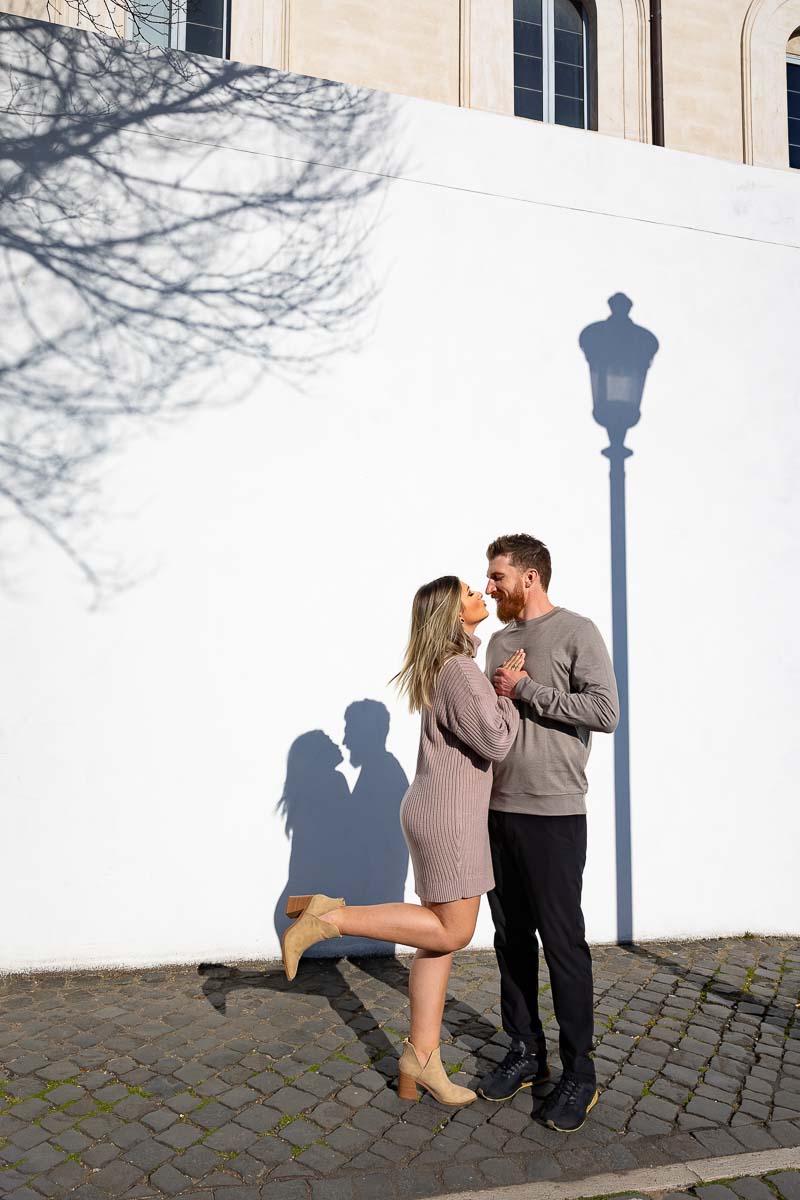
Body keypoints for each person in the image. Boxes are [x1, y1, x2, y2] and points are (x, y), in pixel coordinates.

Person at [280, 575, 520, 1106]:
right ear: (454, 614)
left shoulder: (450, 667)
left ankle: (422, 1059)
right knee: (453, 933)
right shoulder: (459, 669)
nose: (481, 594)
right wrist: (507, 696)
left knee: (434, 942)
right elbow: (497, 742)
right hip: (451, 818)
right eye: (469, 593)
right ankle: (328, 918)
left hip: (441, 812)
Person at [477, 533, 619, 1134]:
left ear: (529, 577)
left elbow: (605, 712)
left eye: (498, 576)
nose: (490, 586)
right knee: (510, 941)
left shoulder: (576, 631)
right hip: (498, 810)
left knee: (563, 943)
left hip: (556, 813)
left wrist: (527, 689)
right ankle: (526, 1050)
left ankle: (578, 1072)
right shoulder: (498, 643)